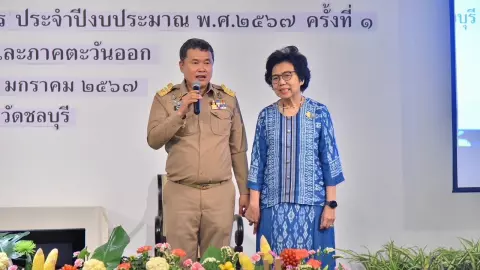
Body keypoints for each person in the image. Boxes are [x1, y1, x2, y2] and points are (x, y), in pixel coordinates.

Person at [146, 38, 250, 261]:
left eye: (207, 62)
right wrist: (181, 111)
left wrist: (245, 191)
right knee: (180, 261)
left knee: (217, 261)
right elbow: (154, 140)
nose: (202, 69)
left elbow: (238, 149)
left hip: (219, 194)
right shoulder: (165, 99)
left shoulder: (228, 100)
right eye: (195, 62)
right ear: (181, 65)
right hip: (181, 193)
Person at [244, 45, 345, 269]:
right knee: (272, 263)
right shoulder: (266, 116)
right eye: (275, 78)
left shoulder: (319, 112)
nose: (281, 82)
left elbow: (330, 160)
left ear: (301, 78)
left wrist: (331, 204)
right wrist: (254, 204)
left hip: (314, 208)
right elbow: (258, 162)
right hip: (273, 206)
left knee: (315, 263)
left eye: (287, 76)